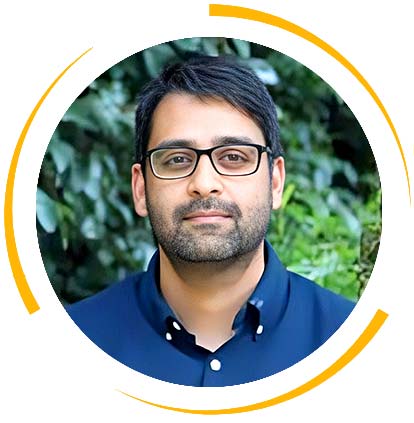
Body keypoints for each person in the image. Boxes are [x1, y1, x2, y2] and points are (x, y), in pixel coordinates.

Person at [67, 54, 355, 387]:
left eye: (233, 157)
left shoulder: (350, 341)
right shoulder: (71, 343)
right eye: (177, 159)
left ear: (275, 182)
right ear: (141, 189)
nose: (204, 183)